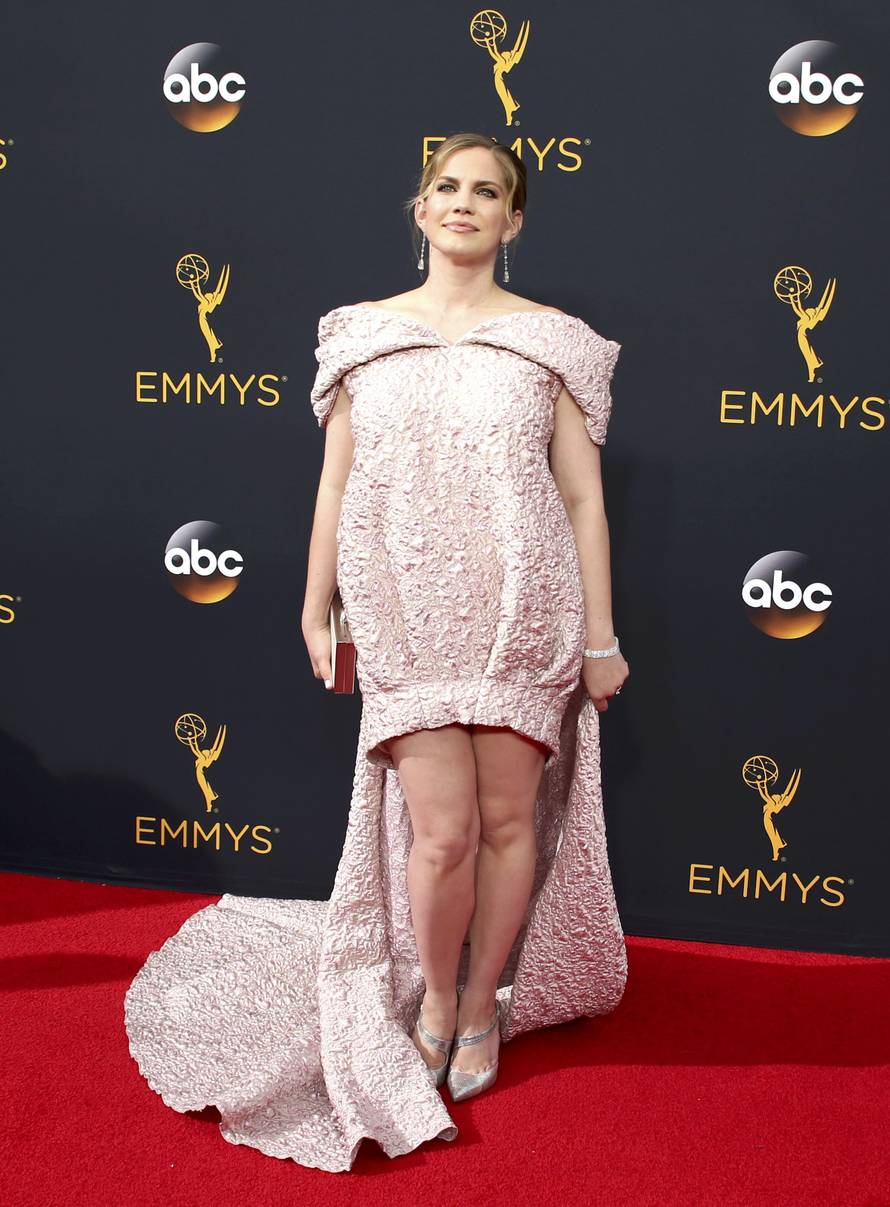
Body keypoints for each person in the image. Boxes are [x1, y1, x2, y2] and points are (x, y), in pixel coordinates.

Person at [124, 131, 629, 1173]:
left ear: (512, 219)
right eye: (447, 186)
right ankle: (435, 997)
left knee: (506, 822)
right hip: (404, 606)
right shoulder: (361, 335)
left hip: (522, 609)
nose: (464, 202)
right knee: (440, 834)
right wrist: (317, 603)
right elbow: (336, 482)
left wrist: (599, 637)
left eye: (487, 191)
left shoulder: (554, 345)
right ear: (420, 208)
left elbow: (582, 499)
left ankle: (482, 1005)